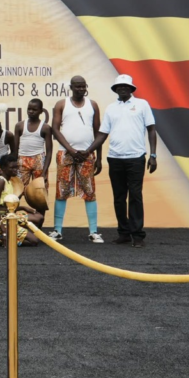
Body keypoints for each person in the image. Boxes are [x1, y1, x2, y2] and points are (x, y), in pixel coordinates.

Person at [84, 74, 156, 248]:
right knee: (119, 197)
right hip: (115, 158)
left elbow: (151, 130)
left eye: (126, 86)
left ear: (131, 89)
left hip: (136, 158)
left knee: (135, 196)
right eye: (119, 86)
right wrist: (88, 151)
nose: (122, 89)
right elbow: (102, 134)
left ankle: (137, 235)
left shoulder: (142, 104)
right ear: (115, 89)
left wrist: (153, 155)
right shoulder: (111, 108)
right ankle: (123, 233)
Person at [49, 76, 103, 243]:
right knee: (61, 190)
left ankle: (93, 231)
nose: (80, 89)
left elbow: (98, 132)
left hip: (87, 154)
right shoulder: (62, 104)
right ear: (71, 87)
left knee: (89, 191)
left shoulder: (92, 105)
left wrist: (97, 156)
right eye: (77, 86)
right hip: (65, 154)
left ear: (86, 87)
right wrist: (70, 150)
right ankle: (57, 230)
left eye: (83, 86)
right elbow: (55, 129)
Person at [0, 155, 39, 246]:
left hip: (6, 215)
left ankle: (12, 233)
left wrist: (23, 208)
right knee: (33, 241)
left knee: (38, 217)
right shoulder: (0, 181)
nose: (15, 170)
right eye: (12, 168)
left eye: (16, 167)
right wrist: (3, 229)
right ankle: (3, 236)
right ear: (3, 168)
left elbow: (5, 206)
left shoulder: (8, 182)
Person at [14, 99, 52, 187]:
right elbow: (15, 149)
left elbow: (49, 151)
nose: (31, 111)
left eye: (34, 110)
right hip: (22, 159)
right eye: (29, 109)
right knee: (19, 188)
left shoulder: (45, 128)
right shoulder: (19, 126)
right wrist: (14, 166)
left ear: (41, 111)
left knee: (40, 190)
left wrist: (44, 172)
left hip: (38, 159)